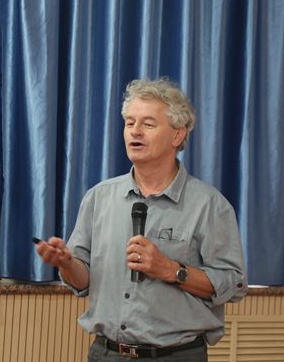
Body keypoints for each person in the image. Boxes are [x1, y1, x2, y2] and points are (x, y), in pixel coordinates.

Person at [35, 78, 248, 361]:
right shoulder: (99, 197)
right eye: (129, 123)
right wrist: (66, 263)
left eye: (148, 124)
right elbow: (82, 280)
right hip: (106, 354)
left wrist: (170, 270)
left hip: (175, 356)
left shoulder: (209, 205)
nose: (135, 131)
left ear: (177, 135)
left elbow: (233, 283)